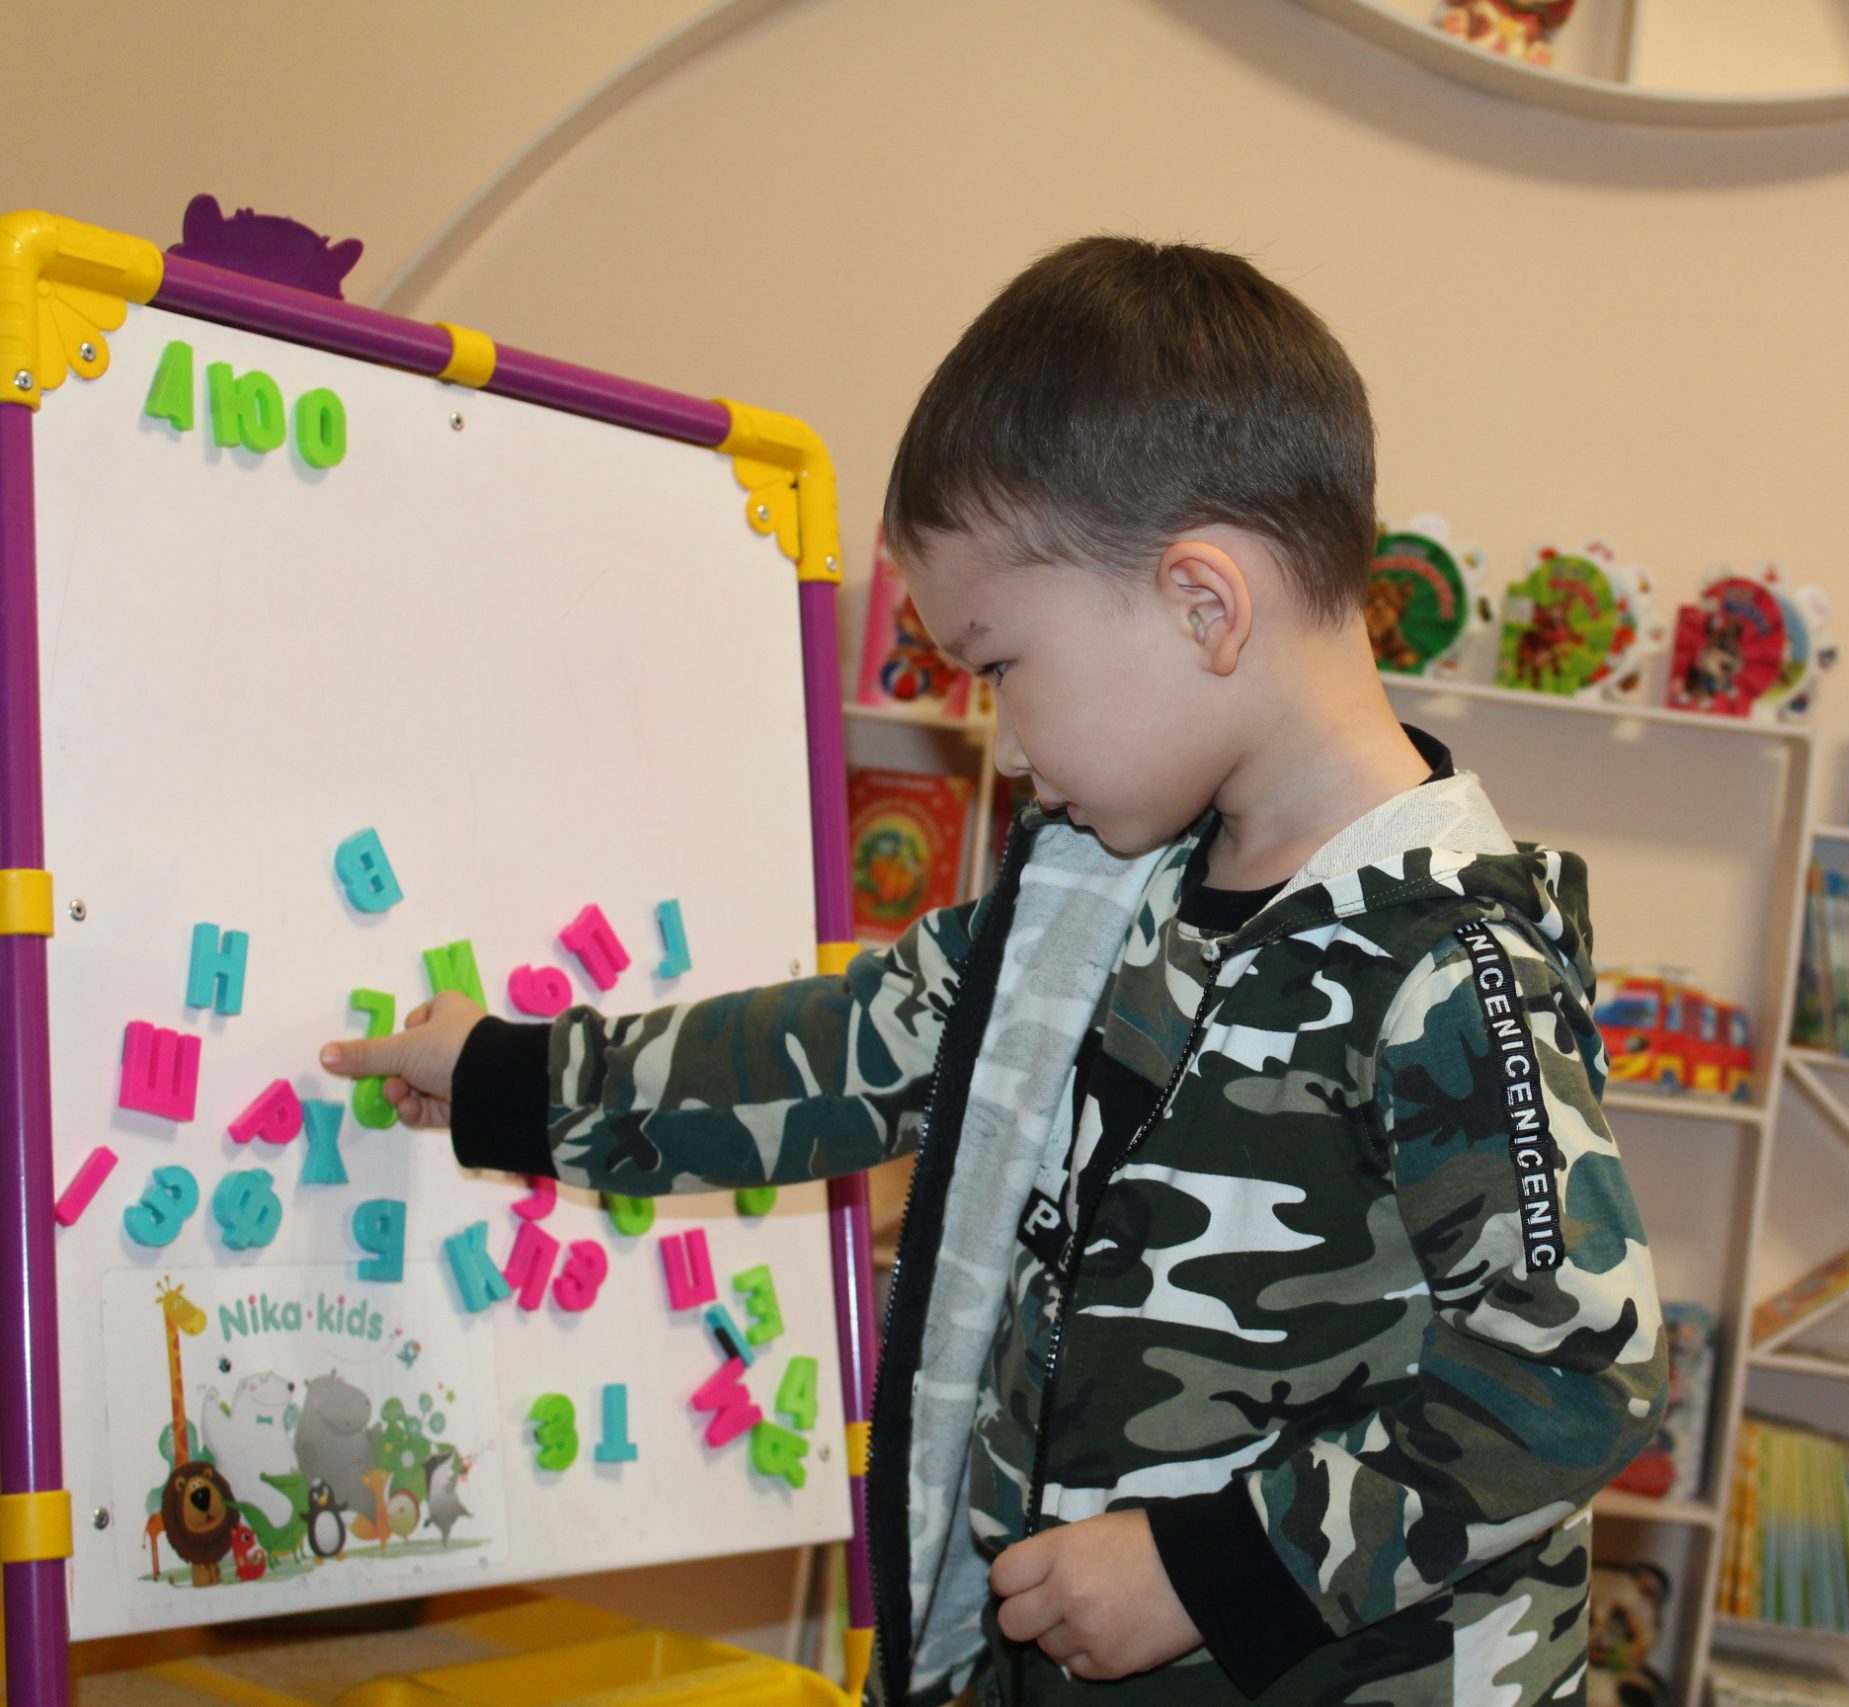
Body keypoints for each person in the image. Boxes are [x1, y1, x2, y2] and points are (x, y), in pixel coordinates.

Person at [321, 236, 1665, 1705]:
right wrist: (509, 1079)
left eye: (1004, 667)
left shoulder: (1452, 959)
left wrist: (1207, 1572)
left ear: (1204, 605)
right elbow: (851, 1048)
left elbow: (1575, 1370)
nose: (1006, 744)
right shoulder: (1107, 886)